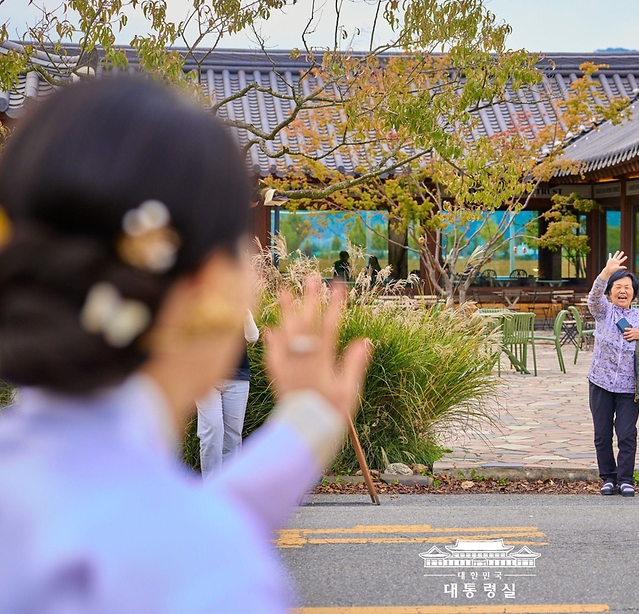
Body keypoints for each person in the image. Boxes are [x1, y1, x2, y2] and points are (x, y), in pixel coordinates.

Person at [0, 77, 372, 613]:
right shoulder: (211, 575)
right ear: (206, 287)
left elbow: (155, 516)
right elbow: (174, 543)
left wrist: (305, 430)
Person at [586, 251, 639, 498]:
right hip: (600, 383)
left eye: (627, 287)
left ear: (634, 293)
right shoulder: (603, 311)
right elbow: (593, 297)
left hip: (629, 386)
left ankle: (625, 479)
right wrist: (606, 272)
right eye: (617, 287)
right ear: (610, 291)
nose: (622, 291)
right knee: (602, 434)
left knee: (626, 434)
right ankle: (608, 477)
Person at [195, 310, 260, 478]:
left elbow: (252, 337)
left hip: (238, 376)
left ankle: (228, 489)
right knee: (212, 431)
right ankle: (211, 488)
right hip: (206, 378)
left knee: (233, 436)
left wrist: (245, 313)